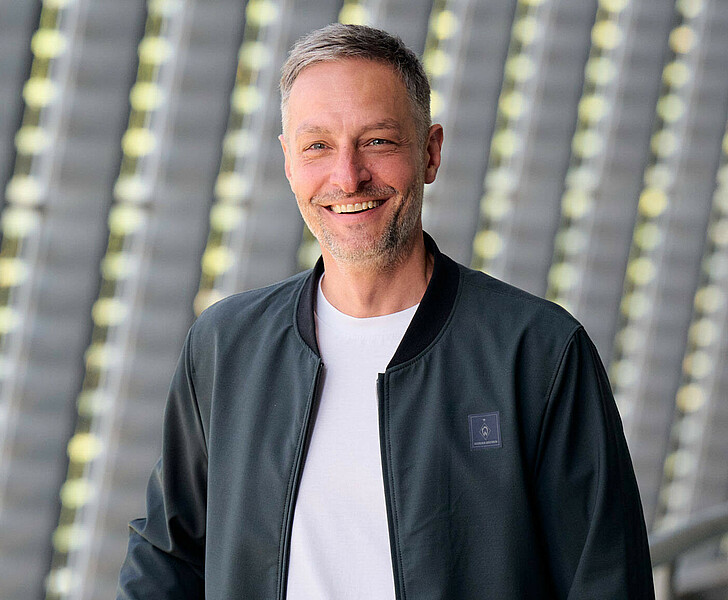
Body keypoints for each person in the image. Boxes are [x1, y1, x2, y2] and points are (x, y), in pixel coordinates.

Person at [118, 23, 654, 599]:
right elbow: (167, 562)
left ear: (430, 151)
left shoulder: (536, 352)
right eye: (317, 145)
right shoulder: (227, 346)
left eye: (377, 141)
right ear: (288, 162)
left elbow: (605, 579)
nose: (347, 176)